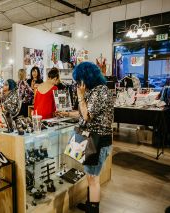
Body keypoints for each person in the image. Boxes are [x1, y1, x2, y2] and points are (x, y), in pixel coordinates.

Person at [57, 62, 113, 213]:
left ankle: (93, 209)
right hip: (93, 140)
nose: (77, 84)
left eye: (79, 80)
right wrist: (68, 113)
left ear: (85, 78)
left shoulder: (100, 91)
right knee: (90, 176)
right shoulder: (95, 90)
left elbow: (87, 116)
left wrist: (81, 97)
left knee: (93, 178)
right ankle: (90, 204)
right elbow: (84, 112)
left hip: (98, 141)